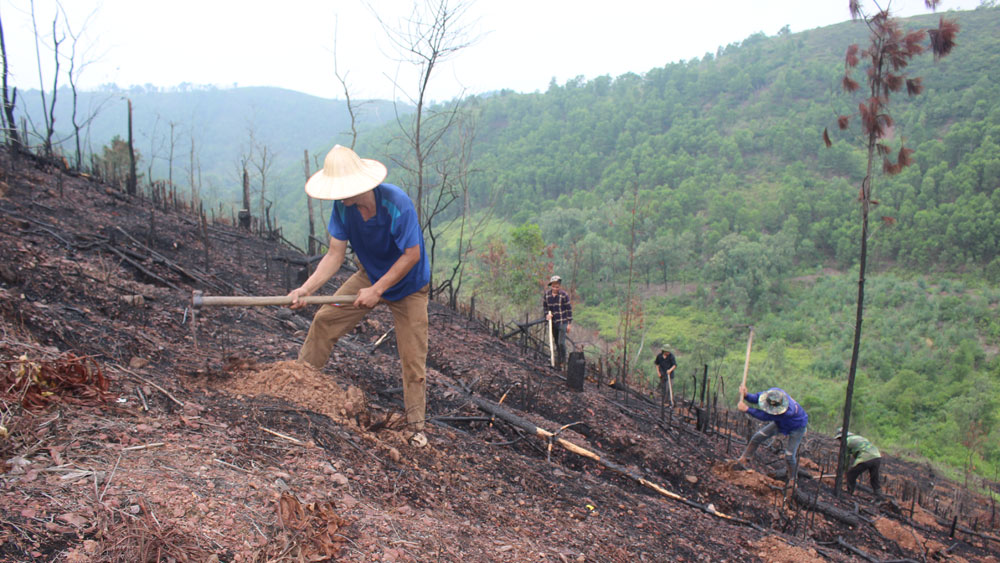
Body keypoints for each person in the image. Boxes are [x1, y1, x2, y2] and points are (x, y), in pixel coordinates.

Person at [290, 145, 431, 448]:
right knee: (325, 319)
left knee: (412, 360)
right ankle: (297, 384)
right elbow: (334, 255)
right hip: (369, 275)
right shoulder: (343, 208)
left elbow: (412, 255)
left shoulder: (396, 204)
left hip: (408, 286)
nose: (340, 195)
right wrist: (307, 289)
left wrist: (378, 290)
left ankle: (416, 428)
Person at [734, 385, 809, 485]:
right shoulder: (774, 393)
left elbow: (765, 416)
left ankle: (792, 480)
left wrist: (747, 409)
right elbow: (758, 398)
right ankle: (744, 459)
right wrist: (747, 395)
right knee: (757, 437)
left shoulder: (787, 412)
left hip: (797, 427)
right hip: (781, 422)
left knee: (789, 455)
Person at [835, 427, 883, 497]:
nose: (839, 441)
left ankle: (849, 493)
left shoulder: (846, 441)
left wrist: (844, 471)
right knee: (874, 478)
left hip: (865, 457)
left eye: (839, 439)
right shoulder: (859, 437)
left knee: (851, 475)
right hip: (877, 456)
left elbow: (845, 458)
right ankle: (879, 496)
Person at [543, 275, 572, 371]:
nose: (555, 288)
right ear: (551, 286)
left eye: (557, 286)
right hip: (553, 322)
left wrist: (569, 323)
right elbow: (545, 308)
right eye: (553, 286)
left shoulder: (564, 295)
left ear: (559, 286)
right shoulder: (547, 295)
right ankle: (558, 361)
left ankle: (563, 361)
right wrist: (547, 315)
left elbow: (569, 309)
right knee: (556, 342)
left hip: (562, 321)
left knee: (561, 343)